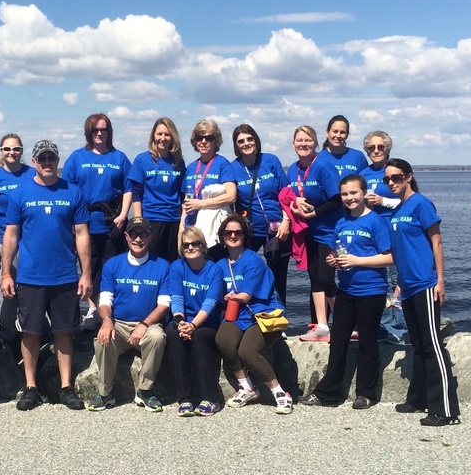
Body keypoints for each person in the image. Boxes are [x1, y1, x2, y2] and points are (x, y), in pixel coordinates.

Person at [1, 140, 92, 411]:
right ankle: (31, 387)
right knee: (30, 333)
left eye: (52, 158)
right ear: (34, 161)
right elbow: (11, 235)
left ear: (57, 160)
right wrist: (6, 273)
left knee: (64, 332)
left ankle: (66, 387)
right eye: (42, 159)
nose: (47, 163)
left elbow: (82, 235)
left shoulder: (72, 192)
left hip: (64, 275)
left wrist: (85, 274)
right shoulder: (20, 193)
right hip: (30, 277)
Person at [298, 175, 393, 409]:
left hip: (371, 291)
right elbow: (339, 253)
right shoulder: (341, 223)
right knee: (338, 342)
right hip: (347, 291)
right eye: (344, 194)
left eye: (353, 193)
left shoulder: (376, 222)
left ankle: (366, 393)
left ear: (363, 193)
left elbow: (390, 257)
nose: (349, 198)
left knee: (367, 342)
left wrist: (357, 261)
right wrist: (334, 261)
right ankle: (328, 393)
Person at [384, 158, 460, 427]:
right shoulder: (398, 210)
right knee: (416, 345)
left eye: (397, 177)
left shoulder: (421, 204)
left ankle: (446, 410)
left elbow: (436, 243)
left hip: (426, 284)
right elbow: (403, 253)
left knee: (432, 346)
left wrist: (440, 281)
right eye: (388, 179)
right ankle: (418, 399)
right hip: (408, 287)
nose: (392, 182)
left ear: (409, 177)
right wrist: (399, 285)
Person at [88, 217, 170, 412]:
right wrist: (106, 320)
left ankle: (145, 391)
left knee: (158, 337)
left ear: (150, 237)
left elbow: (164, 304)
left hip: (148, 325)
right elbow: (105, 300)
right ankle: (106, 393)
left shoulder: (162, 266)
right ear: (126, 236)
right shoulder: (113, 264)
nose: (138, 238)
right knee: (102, 339)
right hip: (119, 324)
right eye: (133, 233)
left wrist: (144, 324)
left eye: (143, 234)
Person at [214, 213, 293, 414]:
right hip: (238, 315)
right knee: (224, 339)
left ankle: (280, 393)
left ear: (245, 235)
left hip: (264, 314)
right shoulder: (220, 265)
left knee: (247, 350)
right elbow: (216, 293)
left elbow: (246, 296)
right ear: (223, 236)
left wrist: (229, 296)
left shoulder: (252, 260)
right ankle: (247, 387)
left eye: (238, 232)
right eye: (228, 232)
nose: (233, 235)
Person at [63, 114, 132, 329]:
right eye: (95, 130)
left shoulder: (118, 157)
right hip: (85, 222)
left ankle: (109, 309)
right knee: (88, 266)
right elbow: (67, 191)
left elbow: (129, 188)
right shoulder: (77, 158)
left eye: (103, 130)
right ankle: (92, 309)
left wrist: (123, 216)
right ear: (89, 132)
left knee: (111, 267)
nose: (100, 133)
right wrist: (72, 221)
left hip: (112, 221)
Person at [286, 125, 342, 341]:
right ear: (293, 144)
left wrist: (314, 213)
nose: (303, 144)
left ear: (316, 143)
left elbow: (337, 200)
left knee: (328, 279)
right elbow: (290, 195)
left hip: (328, 231)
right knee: (315, 279)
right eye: (299, 140)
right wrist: (294, 203)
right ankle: (321, 325)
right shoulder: (292, 169)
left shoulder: (323, 166)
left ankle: (344, 323)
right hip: (307, 232)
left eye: (308, 140)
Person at [0, 134, 34, 345]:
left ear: (22, 151)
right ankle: (6, 330)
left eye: (16, 149)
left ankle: (36, 326)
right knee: (8, 285)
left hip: (31, 239)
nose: (11, 153)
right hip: (6, 239)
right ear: (0, 152)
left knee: (33, 285)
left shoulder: (32, 173)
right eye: (7, 149)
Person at [166, 227, 224, 416]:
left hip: (206, 322)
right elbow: (176, 298)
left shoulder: (214, 270)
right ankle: (185, 398)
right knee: (173, 335)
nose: (191, 247)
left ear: (204, 247)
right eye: (186, 245)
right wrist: (180, 321)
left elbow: (210, 303)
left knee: (199, 337)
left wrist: (193, 325)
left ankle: (210, 398)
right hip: (184, 320)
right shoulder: (177, 266)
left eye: (195, 243)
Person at [231, 124, 291, 303]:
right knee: (246, 273)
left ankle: (279, 321)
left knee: (278, 278)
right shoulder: (233, 168)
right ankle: (251, 316)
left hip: (278, 228)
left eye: (250, 139)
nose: (246, 143)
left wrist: (286, 220)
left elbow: (285, 193)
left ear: (256, 140)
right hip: (251, 229)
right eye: (241, 141)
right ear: (236, 145)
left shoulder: (270, 161)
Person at [358, 131, 406, 345]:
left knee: (400, 280)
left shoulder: (395, 172)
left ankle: (400, 329)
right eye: (371, 148)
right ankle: (382, 326)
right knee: (377, 281)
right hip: (371, 234)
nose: (376, 151)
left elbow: (408, 203)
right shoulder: (363, 174)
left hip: (395, 232)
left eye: (380, 147)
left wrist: (382, 201)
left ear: (388, 149)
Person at [128, 117, 186, 263]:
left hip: (173, 220)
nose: (163, 138)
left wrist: (183, 224)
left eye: (167, 134)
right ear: (153, 136)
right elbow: (137, 193)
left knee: (172, 263)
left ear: (172, 137)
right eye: (159, 134)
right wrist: (138, 222)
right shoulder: (142, 160)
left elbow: (182, 194)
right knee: (152, 264)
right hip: (151, 219)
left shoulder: (178, 162)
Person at [181, 119, 236, 257]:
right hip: (192, 230)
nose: (204, 141)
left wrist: (200, 204)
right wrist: (181, 230)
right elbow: (187, 203)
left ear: (216, 141)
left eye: (209, 138)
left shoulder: (223, 164)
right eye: (200, 137)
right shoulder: (191, 168)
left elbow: (231, 196)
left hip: (214, 232)